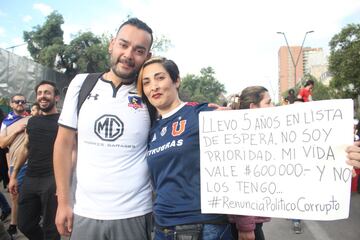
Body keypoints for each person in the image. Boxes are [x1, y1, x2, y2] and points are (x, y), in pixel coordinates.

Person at [53, 18, 154, 240]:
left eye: (139, 50)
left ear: (147, 57)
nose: (128, 54)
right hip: (84, 211)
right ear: (111, 44)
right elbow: (63, 144)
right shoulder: (81, 84)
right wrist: (63, 202)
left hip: (135, 213)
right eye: (123, 44)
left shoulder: (150, 93)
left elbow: (180, 113)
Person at [137, 57, 233, 240]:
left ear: (176, 80)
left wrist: (232, 120)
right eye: (146, 82)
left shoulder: (200, 113)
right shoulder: (150, 130)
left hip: (205, 227)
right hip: (162, 227)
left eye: (160, 78)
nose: (153, 87)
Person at [8, 81, 61, 240]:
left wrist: (64, 183)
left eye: (47, 92)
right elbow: (25, 148)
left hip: (52, 179)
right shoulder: (32, 121)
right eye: (39, 93)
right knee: (24, 224)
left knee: (51, 228)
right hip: (31, 178)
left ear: (56, 97)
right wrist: (14, 175)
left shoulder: (63, 121)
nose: (42, 96)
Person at [228, 86, 272, 240]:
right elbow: (240, 183)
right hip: (245, 226)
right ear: (254, 107)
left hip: (251, 222)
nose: (273, 107)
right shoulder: (243, 137)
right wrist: (245, 226)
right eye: (268, 102)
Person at [0, 94, 29, 238]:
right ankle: (14, 224)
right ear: (11, 104)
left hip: (30, 163)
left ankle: (17, 223)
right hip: (14, 164)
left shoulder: (30, 119)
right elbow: (2, 144)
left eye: (23, 102)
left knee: (26, 195)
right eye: (17, 101)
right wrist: (17, 131)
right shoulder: (6, 122)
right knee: (15, 196)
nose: (20, 104)